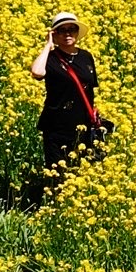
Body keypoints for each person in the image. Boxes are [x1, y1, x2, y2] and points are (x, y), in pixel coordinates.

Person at [27, 10, 108, 205]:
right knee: (57, 173)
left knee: (83, 170)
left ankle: (81, 207)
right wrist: (48, 45)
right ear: (54, 34)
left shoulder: (86, 57)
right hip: (57, 126)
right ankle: (57, 211)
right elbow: (37, 72)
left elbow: (89, 90)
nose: (67, 34)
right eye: (61, 31)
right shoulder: (51, 58)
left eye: (71, 29)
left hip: (83, 125)